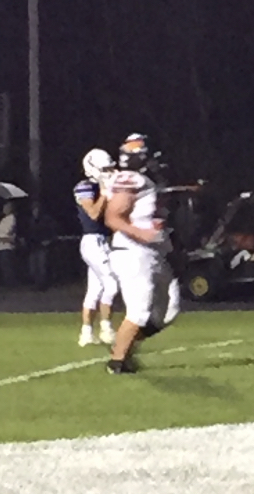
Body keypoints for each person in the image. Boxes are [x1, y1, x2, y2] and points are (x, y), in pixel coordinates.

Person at [103, 134, 178, 374]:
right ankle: (117, 362)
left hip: (153, 253)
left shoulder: (146, 180)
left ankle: (124, 347)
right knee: (139, 311)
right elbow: (113, 216)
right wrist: (140, 233)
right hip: (134, 252)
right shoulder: (131, 179)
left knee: (169, 309)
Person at [74, 148, 120, 346]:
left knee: (95, 289)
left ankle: (86, 333)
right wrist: (104, 193)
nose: (110, 172)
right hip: (93, 241)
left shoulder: (106, 187)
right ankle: (106, 329)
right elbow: (93, 214)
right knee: (112, 284)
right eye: (106, 169)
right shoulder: (84, 187)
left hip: (105, 240)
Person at [0, 202, 18, 287]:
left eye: (6, 208)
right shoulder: (4, 219)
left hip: (6, 246)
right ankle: (7, 283)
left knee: (7, 266)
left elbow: (6, 231)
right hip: (0, 246)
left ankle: (11, 284)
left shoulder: (11, 218)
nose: (4, 209)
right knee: (3, 266)